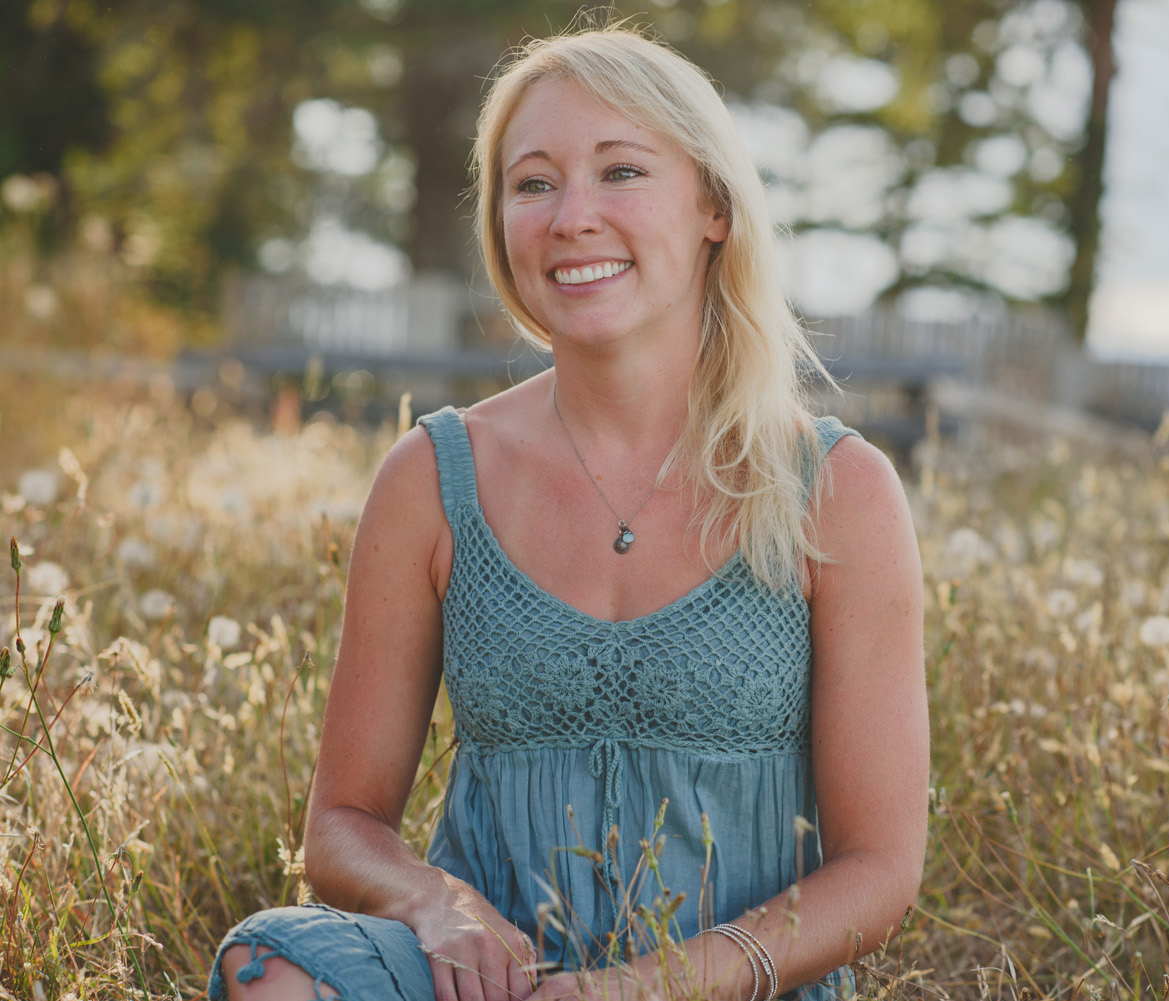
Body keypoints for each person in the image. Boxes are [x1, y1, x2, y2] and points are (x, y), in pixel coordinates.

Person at [211, 23, 927, 1001]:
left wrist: (649, 984)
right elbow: (340, 822)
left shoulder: (839, 492)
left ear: (714, 204)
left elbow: (879, 868)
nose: (571, 216)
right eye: (534, 182)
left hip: (726, 985)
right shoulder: (431, 476)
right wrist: (437, 905)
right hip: (489, 987)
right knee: (271, 969)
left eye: (621, 171)